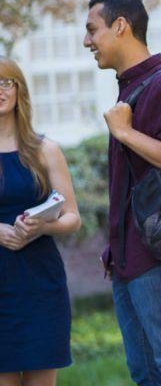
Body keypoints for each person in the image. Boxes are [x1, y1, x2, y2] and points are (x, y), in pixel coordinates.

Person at [83, 0, 161, 385]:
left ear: (121, 26)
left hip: (156, 258)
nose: (87, 41)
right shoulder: (131, 87)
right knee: (147, 373)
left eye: (92, 30)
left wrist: (125, 133)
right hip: (127, 260)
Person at [0, 57, 81, 386]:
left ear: (19, 90)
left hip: (40, 284)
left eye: (6, 83)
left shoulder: (45, 150)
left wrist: (43, 227)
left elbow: (72, 216)